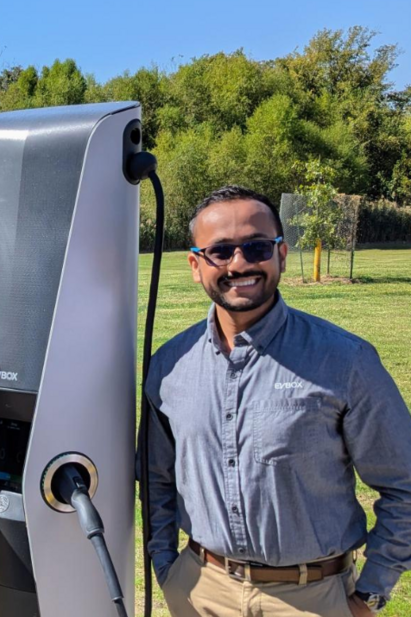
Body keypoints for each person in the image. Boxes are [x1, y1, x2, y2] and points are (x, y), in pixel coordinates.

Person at [142, 185, 411, 616]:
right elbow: (157, 481)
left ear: (281, 254)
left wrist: (371, 594)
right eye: (221, 251)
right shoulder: (169, 366)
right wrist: (165, 567)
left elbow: (405, 485)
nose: (240, 263)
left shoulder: (346, 360)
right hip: (200, 592)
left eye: (256, 247)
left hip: (312, 598)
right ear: (195, 264)